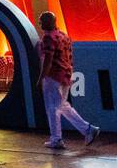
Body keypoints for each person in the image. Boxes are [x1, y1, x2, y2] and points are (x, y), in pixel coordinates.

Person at [37, 11, 99, 150]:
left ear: (48, 22)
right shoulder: (63, 35)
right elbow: (69, 56)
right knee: (62, 105)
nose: (39, 24)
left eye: (41, 21)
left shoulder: (48, 38)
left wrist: (41, 78)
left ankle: (56, 139)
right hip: (66, 75)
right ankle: (88, 130)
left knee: (52, 108)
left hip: (53, 76)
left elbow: (48, 60)